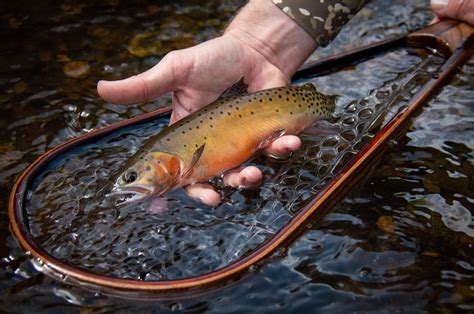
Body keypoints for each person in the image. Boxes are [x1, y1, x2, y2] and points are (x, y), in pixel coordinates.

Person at [98, 0, 473, 206]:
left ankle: (314, 110)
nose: (130, 184)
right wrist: (259, 41)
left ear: (159, 164)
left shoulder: (181, 163)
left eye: (132, 177)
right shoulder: (178, 164)